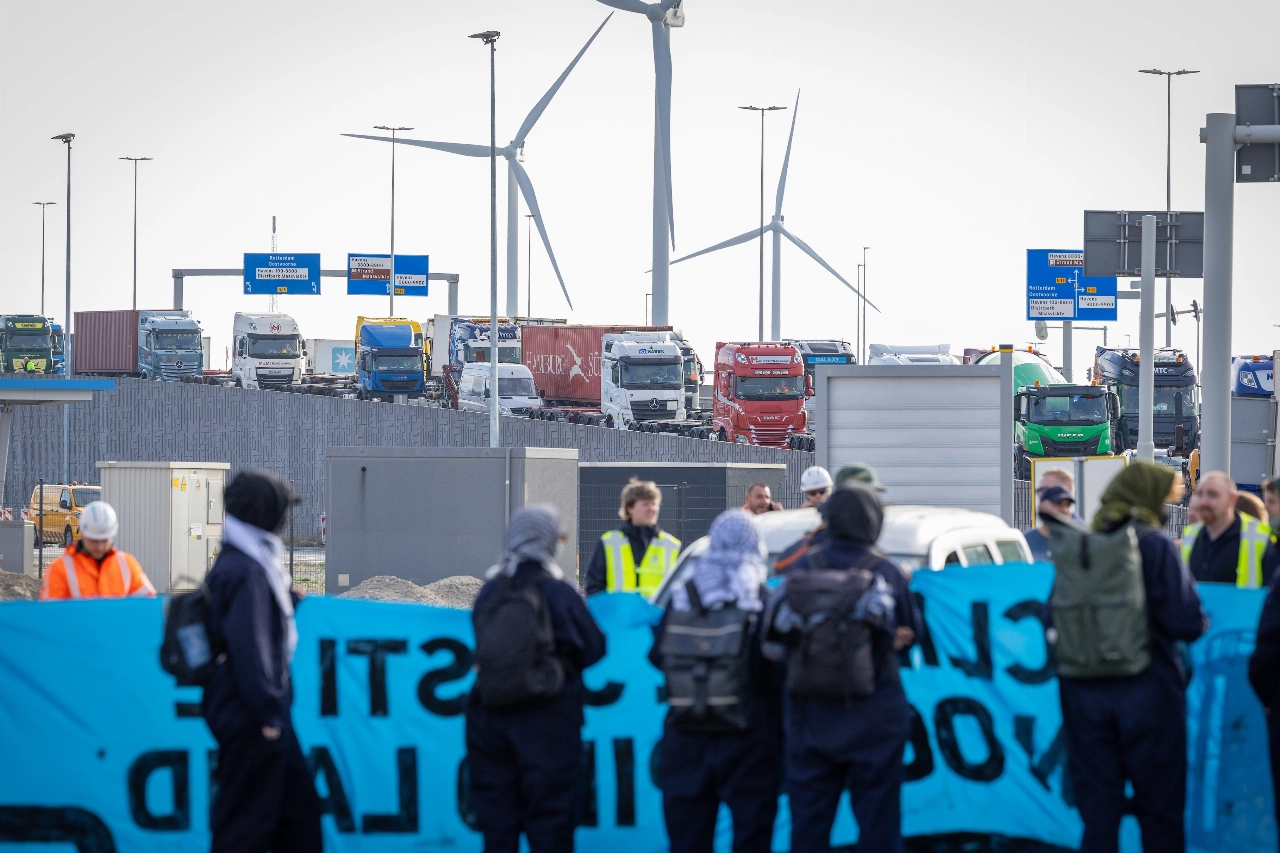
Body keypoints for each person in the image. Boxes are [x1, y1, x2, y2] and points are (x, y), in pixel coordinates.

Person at [1052, 462, 1207, 853]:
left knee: (1099, 813)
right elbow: (1185, 621)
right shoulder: (1153, 544)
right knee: (1160, 811)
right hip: (1149, 693)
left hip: (1083, 696)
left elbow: (1049, 615)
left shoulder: (1086, 541)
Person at [764, 486, 921, 853]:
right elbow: (914, 635)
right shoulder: (888, 572)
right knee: (878, 825)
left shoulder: (802, 568)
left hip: (809, 717)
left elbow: (773, 640)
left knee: (809, 828)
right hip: (875, 716)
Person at [466, 506, 606, 853]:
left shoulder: (491, 591)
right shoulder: (558, 591)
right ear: (547, 540)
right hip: (549, 719)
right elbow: (594, 647)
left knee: (498, 825)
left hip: (489, 716)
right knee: (551, 824)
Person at [202, 470, 321, 853]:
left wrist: (286, 602)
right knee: (245, 828)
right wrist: (268, 715)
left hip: (259, 715)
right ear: (266, 514)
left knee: (298, 820)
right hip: (254, 718)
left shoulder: (246, 564)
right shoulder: (248, 571)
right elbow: (249, 648)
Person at [650, 510, 782, 853]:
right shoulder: (759, 601)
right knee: (751, 840)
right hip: (749, 741)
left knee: (688, 842)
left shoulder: (681, 598)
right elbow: (778, 672)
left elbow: (657, 656)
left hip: (685, 740)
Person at [583, 478, 681, 597]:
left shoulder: (671, 545)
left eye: (654, 504)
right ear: (629, 508)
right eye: (645, 504)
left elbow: (680, 590)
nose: (652, 509)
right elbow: (594, 587)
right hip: (619, 615)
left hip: (658, 615)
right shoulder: (609, 542)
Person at [40, 500, 154, 600]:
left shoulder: (127, 564)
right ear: (83, 534)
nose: (99, 547)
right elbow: (50, 617)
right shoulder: (59, 569)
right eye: (94, 541)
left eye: (104, 541)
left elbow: (149, 604)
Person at [1183, 471, 1274, 588]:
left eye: (1212, 495)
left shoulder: (1260, 536)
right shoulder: (1190, 535)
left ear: (1232, 499)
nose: (1204, 501)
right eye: (1200, 494)